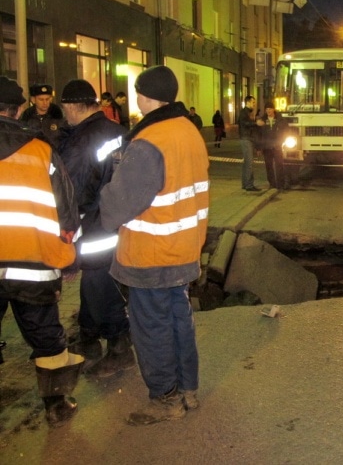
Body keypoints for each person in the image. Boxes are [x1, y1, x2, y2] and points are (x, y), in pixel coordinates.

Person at [100, 65, 209, 426]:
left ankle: (165, 398)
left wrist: (101, 202)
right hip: (184, 247)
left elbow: (118, 204)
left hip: (151, 253)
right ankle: (187, 390)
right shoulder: (188, 130)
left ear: (145, 96)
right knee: (178, 319)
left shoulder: (149, 141)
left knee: (151, 327)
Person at [0, 75, 84, 427]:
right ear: (19, 108)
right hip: (33, 265)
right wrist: (71, 252)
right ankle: (56, 403)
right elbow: (67, 213)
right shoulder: (40, 150)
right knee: (46, 334)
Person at [58, 79, 135, 378]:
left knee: (99, 283)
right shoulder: (118, 132)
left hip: (93, 225)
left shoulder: (81, 142)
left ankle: (120, 346)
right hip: (117, 221)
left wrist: (64, 234)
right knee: (97, 279)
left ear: (73, 106)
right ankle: (89, 336)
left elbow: (71, 193)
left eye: (64, 108)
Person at [237, 96, 264, 191]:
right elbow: (245, 123)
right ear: (247, 102)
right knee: (249, 162)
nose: (254, 104)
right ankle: (249, 185)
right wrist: (256, 123)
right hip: (246, 138)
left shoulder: (248, 113)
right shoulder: (244, 113)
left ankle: (245, 184)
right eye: (253, 102)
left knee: (247, 163)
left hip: (247, 138)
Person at [260, 102, 289, 190]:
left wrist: (282, 140)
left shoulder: (280, 119)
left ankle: (280, 184)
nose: (268, 111)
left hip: (277, 146)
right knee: (268, 166)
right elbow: (259, 134)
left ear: (273, 109)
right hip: (267, 147)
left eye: (270, 109)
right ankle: (272, 183)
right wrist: (259, 146)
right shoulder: (263, 120)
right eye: (267, 109)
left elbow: (286, 130)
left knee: (279, 165)